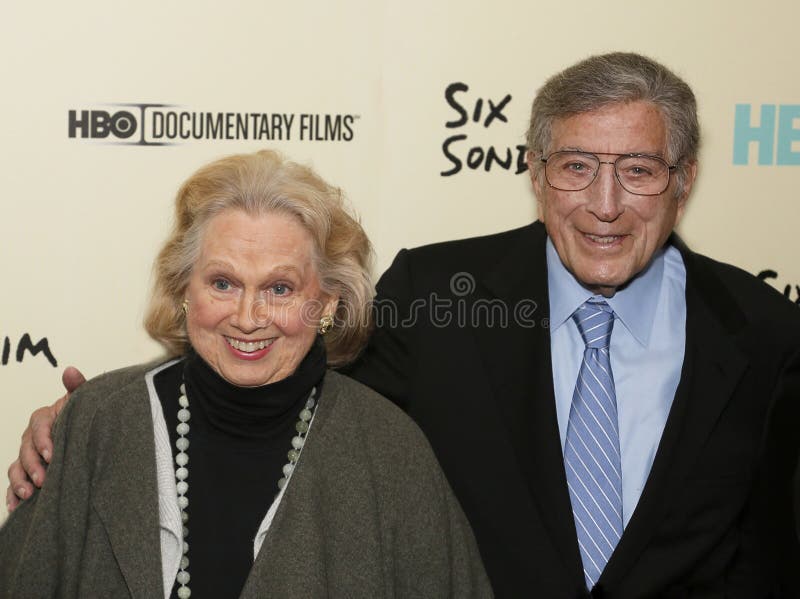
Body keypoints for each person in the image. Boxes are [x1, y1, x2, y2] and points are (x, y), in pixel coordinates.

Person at [8, 52, 800, 597]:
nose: (603, 203)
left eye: (638, 169)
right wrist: (83, 427)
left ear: (684, 179)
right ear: (535, 170)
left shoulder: (767, 335)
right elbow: (277, 381)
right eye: (577, 165)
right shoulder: (439, 293)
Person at [0, 150, 491, 598]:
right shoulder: (97, 423)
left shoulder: (390, 450)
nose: (248, 316)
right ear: (183, 289)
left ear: (327, 303)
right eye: (223, 282)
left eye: (280, 288)